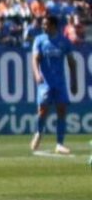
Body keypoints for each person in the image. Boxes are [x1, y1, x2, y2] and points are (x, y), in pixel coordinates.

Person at [30, 15, 77, 155]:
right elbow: (35, 59)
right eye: (43, 24)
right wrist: (37, 74)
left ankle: (60, 144)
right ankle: (39, 132)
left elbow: (71, 62)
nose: (43, 26)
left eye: (46, 24)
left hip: (60, 83)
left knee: (62, 110)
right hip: (45, 82)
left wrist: (74, 81)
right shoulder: (39, 40)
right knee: (43, 110)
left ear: (54, 25)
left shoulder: (64, 42)